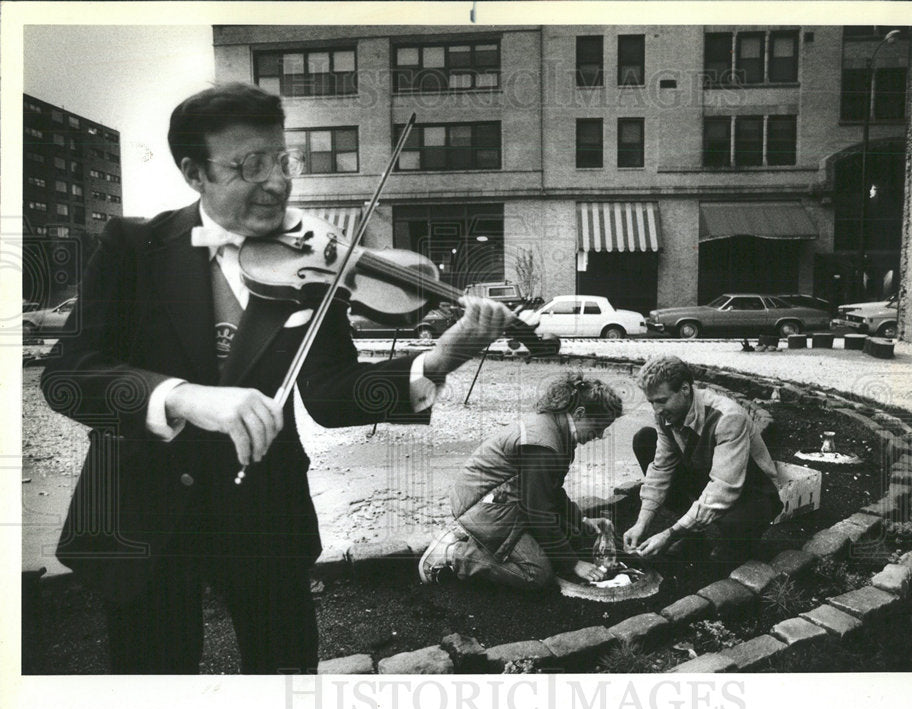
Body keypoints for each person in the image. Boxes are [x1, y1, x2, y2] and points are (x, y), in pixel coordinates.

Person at [40, 83, 514, 674]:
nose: (278, 182)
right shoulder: (132, 246)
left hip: (264, 520)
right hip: (141, 516)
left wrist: (440, 359)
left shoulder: (315, 262)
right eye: (248, 166)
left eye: (283, 161)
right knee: (154, 693)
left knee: (283, 681)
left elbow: (331, 394)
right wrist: (184, 398)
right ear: (195, 173)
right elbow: (67, 373)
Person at [418, 373, 624, 591]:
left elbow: (550, 491)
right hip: (481, 508)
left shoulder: (554, 427)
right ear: (580, 413)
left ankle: (476, 541)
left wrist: (581, 520)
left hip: (498, 500)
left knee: (569, 536)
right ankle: (454, 555)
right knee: (537, 574)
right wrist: (573, 563)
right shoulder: (545, 443)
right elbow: (538, 510)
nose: (600, 435)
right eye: (599, 427)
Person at [623, 355, 782, 565]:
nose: (656, 409)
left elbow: (723, 488)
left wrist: (670, 533)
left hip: (751, 489)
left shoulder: (727, 417)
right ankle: (694, 536)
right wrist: (641, 524)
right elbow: (661, 469)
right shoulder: (665, 415)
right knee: (644, 440)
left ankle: (740, 544)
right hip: (707, 474)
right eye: (651, 402)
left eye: (661, 400)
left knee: (735, 526)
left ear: (685, 390)